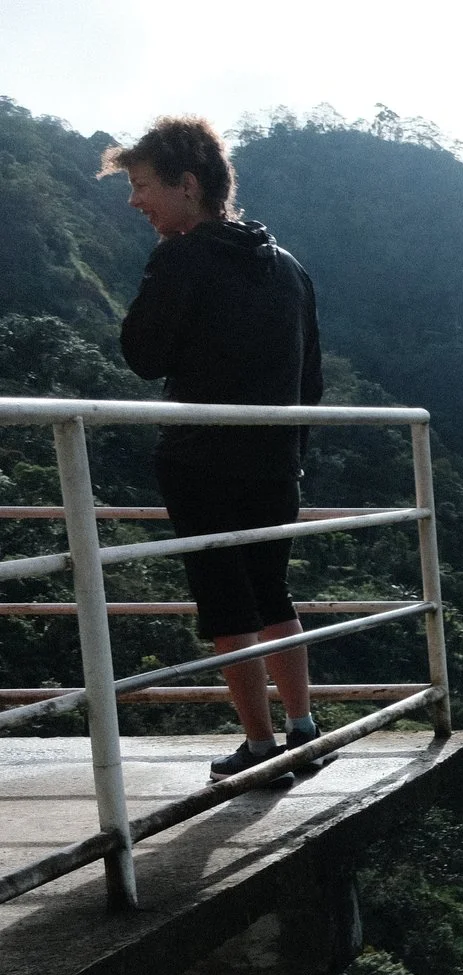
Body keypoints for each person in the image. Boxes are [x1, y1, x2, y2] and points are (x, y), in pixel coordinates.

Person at [104, 117, 326, 780]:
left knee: (225, 601)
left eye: (143, 185)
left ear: (188, 185)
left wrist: (161, 277)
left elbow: (143, 355)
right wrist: (287, 450)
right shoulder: (288, 267)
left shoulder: (183, 256)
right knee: (271, 590)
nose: (135, 201)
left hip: (200, 461)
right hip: (276, 462)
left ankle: (259, 749)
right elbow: (311, 381)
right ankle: (303, 730)